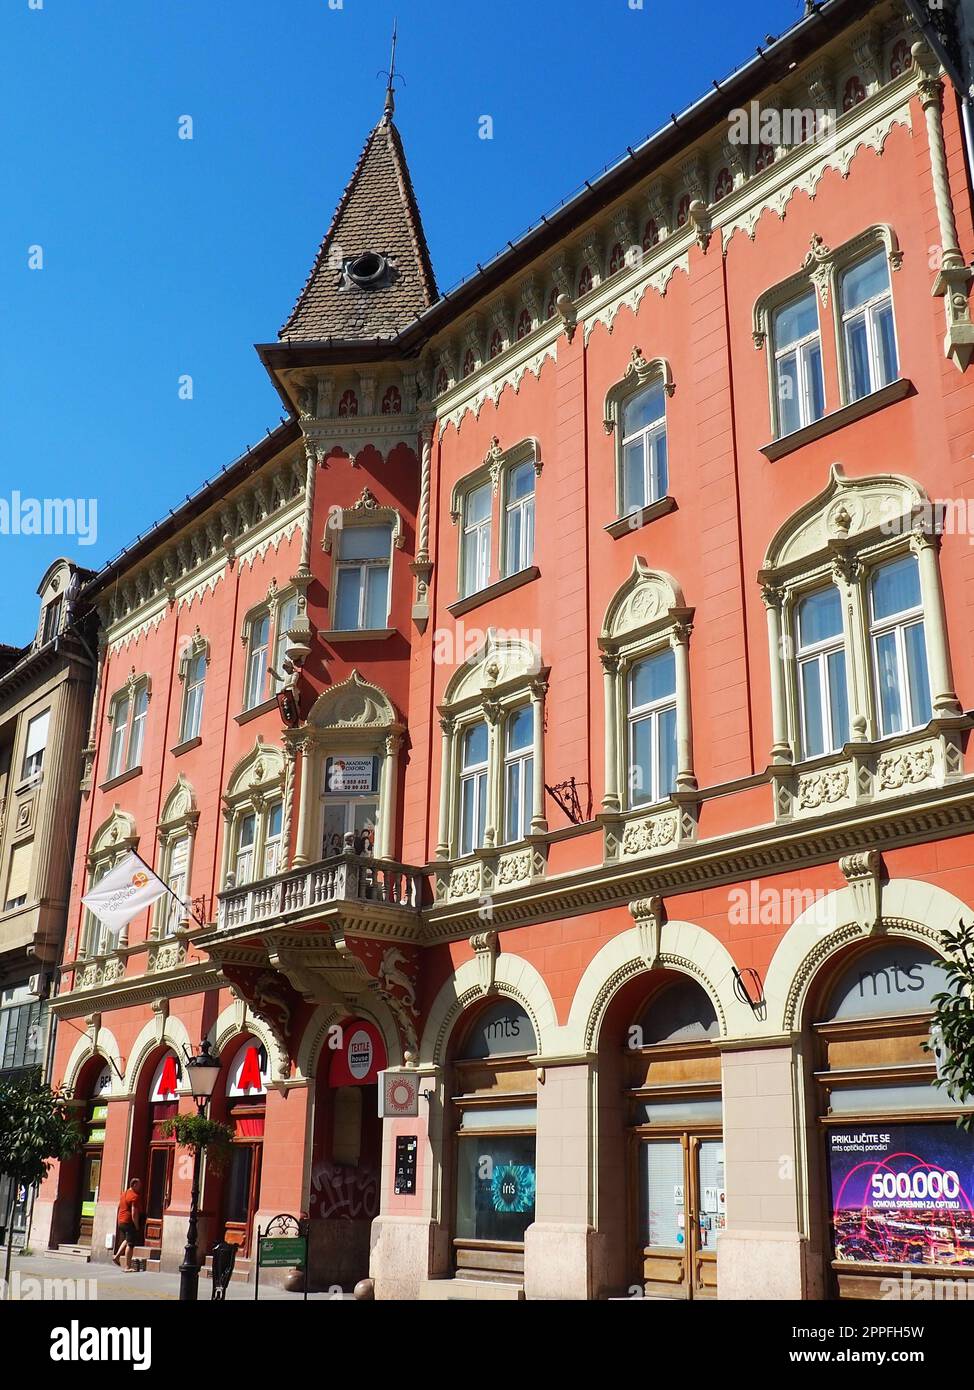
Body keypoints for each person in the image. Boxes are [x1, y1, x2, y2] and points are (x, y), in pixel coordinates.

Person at [112, 1178, 143, 1271]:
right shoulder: (134, 1196)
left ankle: (117, 1256)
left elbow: (119, 1207)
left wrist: (119, 1220)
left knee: (126, 1239)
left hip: (121, 1221)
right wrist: (136, 1225)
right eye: (138, 1185)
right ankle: (127, 1267)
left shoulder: (124, 1193)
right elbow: (134, 1213)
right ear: (133, 1185)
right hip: (129, 1222)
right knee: (130, 1244)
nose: (140, 1187)